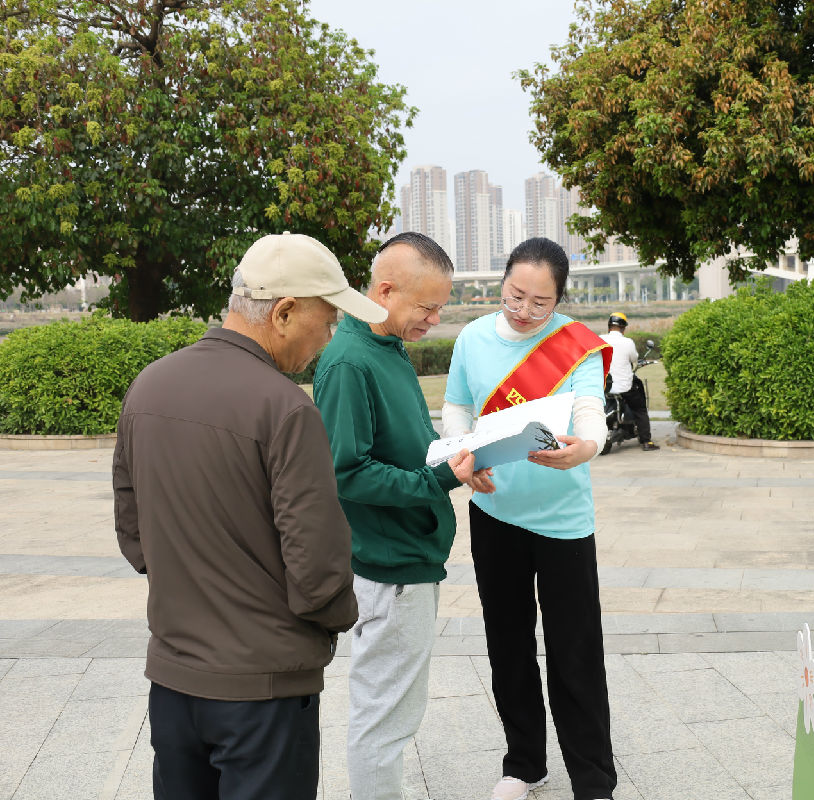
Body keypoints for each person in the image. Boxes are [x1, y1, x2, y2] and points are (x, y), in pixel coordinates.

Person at [113, 232, 385, 800]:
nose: (328, 337)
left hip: (174, 681)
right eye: (328, 320)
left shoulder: (148, 387)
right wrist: (337, 618)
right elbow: (317, 568)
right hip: (264, 692)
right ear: (284, 313)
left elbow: (134, 535)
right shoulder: (285, 408)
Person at [313, 231, 494, 800]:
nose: (435, 321)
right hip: (389, 564)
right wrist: (439, 480)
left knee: (392, 712)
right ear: (385, 291)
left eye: (441, 308)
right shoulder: (350, 362)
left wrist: (456, 459)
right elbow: (346, 473)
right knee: (385, 719)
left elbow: (400, 445)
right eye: (427, 307)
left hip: (408, 554)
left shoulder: (385, 346)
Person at [441, 237, 617, 800]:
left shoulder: (576, 344)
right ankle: (523, 765)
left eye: (540, 302)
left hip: (564, 521)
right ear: (503, 283)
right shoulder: (472, 338)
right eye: (515, 295)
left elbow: (589, 410)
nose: (524, 310)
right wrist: (462, 455)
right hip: (495, 514)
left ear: (559, 300)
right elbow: (457, 408)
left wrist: (586, 447)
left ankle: (593, 780)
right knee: (508, 643)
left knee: (575, 650)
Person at [599, 311, 659, 451]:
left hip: (605, 387)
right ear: (623, 328)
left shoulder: (600, 339)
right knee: (640, 409)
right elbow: (634, 359)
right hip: (625, 387)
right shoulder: (628, 342)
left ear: (609, 326)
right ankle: (646, 442)